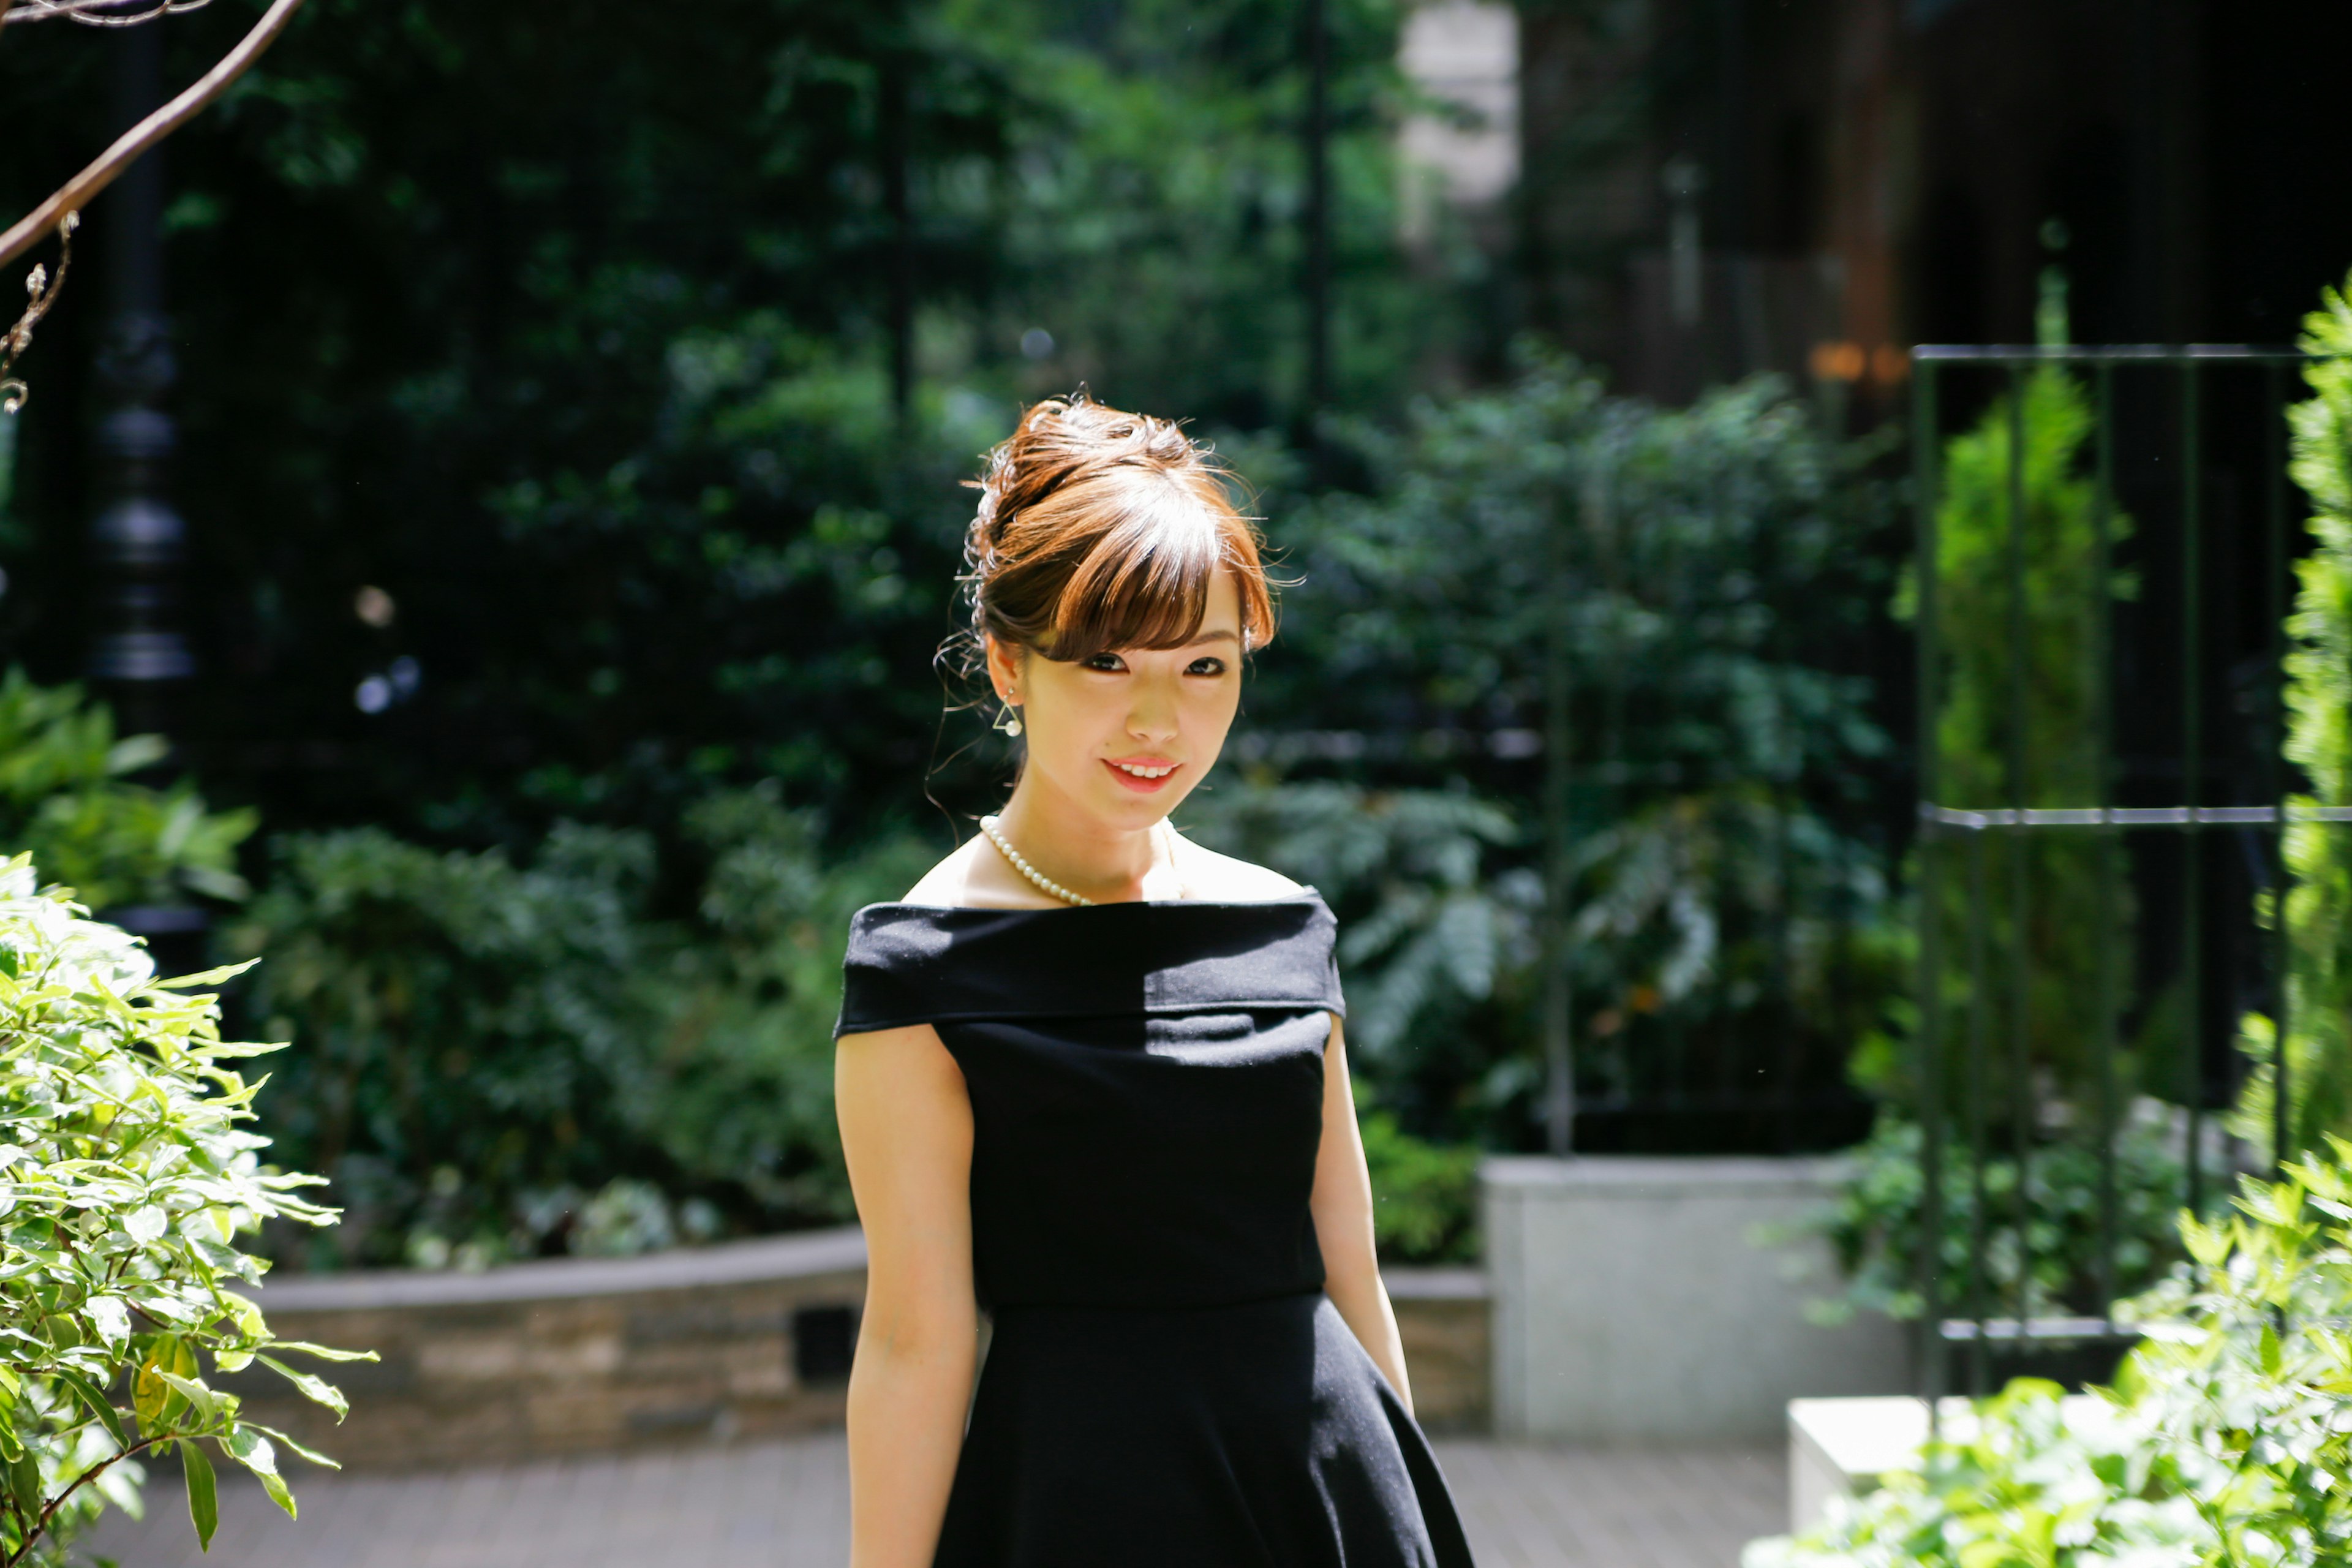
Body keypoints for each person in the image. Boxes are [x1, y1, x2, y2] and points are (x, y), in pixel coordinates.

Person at [832, 395, 1476, 1568]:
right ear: (1008, 665)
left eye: (1204, 665)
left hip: (1324, 1494)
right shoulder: (924, 967)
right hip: (1080, 1503)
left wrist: (1406, 1518)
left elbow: (1352, 1275)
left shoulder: (1282, 927)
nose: (1158, 718)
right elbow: (915, 1345)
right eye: (1107, 661)